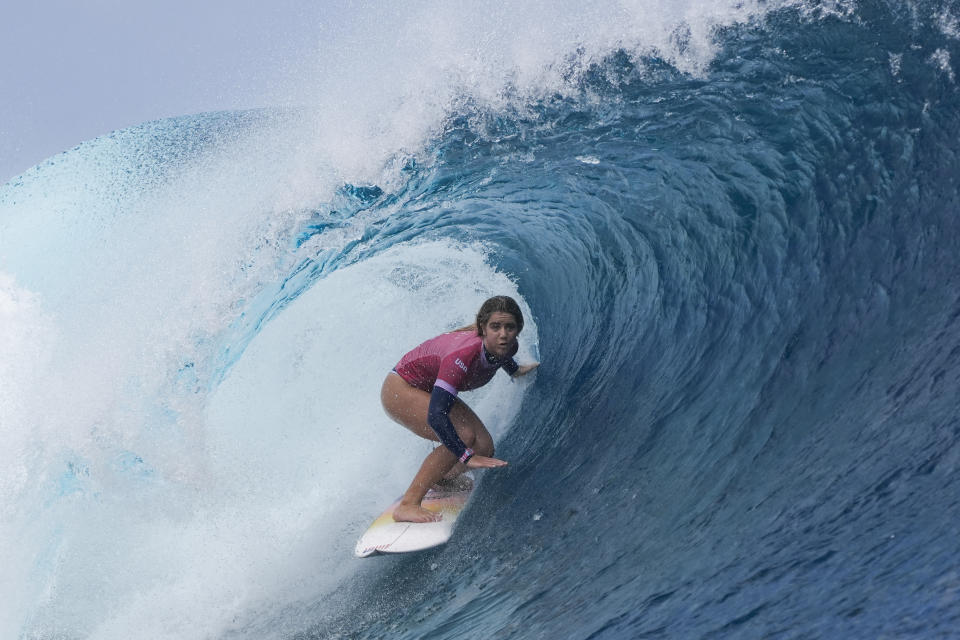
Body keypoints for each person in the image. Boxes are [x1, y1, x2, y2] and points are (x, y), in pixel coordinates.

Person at [381, 295, 539, 523]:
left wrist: (515, 370)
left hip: (427, 388)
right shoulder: (461, 357)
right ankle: (408, 504)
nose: (503, 334)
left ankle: (441, 478)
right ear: (483, 328)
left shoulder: (507, 345)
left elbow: (499, 356)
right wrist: (465, 456)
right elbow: (437, 415)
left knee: (484, 447)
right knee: (463, 437)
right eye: (495, 327)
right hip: (401, 389)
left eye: (510, 327)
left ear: (518, 329)